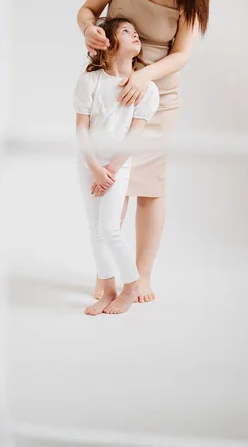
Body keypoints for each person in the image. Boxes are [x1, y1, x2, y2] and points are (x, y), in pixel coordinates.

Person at [76, 0, 214, 303]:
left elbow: (182, 54)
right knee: (108, 182)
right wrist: (88, 28)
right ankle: (107, 275)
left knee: (149, 187)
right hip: (112, 89)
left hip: (158, 95)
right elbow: (88, 10)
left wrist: (146, 77)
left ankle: (143, 276)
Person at [74, 17, 159, 315]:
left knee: (110, 228)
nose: (135, 34)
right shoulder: (90, 81)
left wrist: (110, 170)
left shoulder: (146, 89)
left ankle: (131, 286)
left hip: (118, 167)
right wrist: (95, 168)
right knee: (95, 230)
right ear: (107, 43)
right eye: (126, 31)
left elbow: (134, 135)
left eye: (136, 32)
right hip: (89, 164)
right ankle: (108, 289)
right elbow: (82, 130)